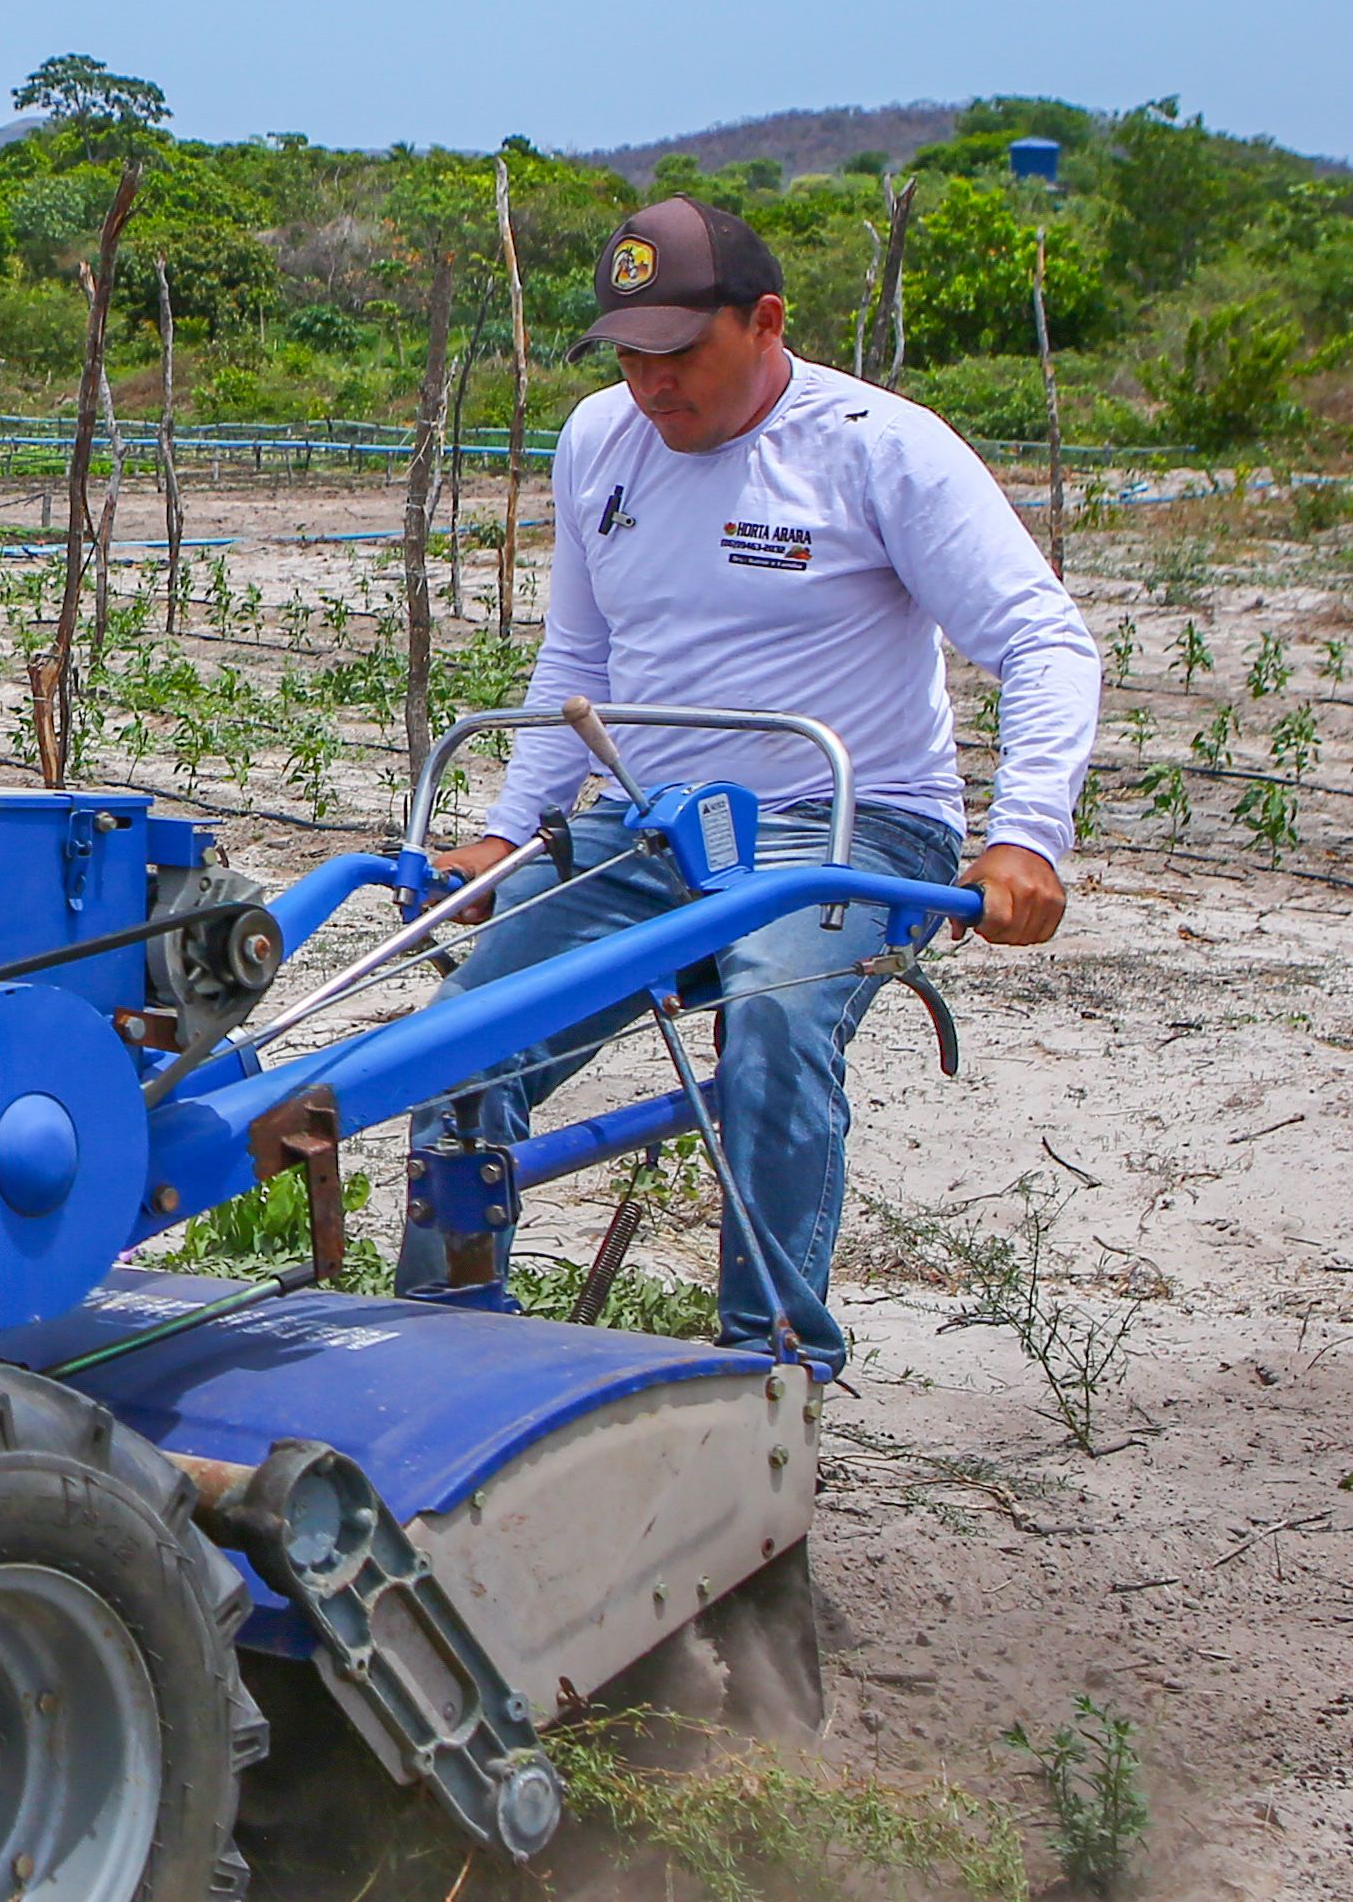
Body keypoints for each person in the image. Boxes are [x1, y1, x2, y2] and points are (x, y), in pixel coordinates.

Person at [409, 197, 1098, 1370]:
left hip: (847, 822)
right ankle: (444, 1344)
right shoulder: (598, 441)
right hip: (652, 822)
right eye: (628, 353)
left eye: (679, 353)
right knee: (461, 1042)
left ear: (767, 322)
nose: (650, 383)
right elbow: (577, 661)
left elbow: (1043, 641)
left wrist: (1025, 838)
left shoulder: (880, 448)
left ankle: (770, 1371)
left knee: (775, 1021)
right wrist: (507, 831)